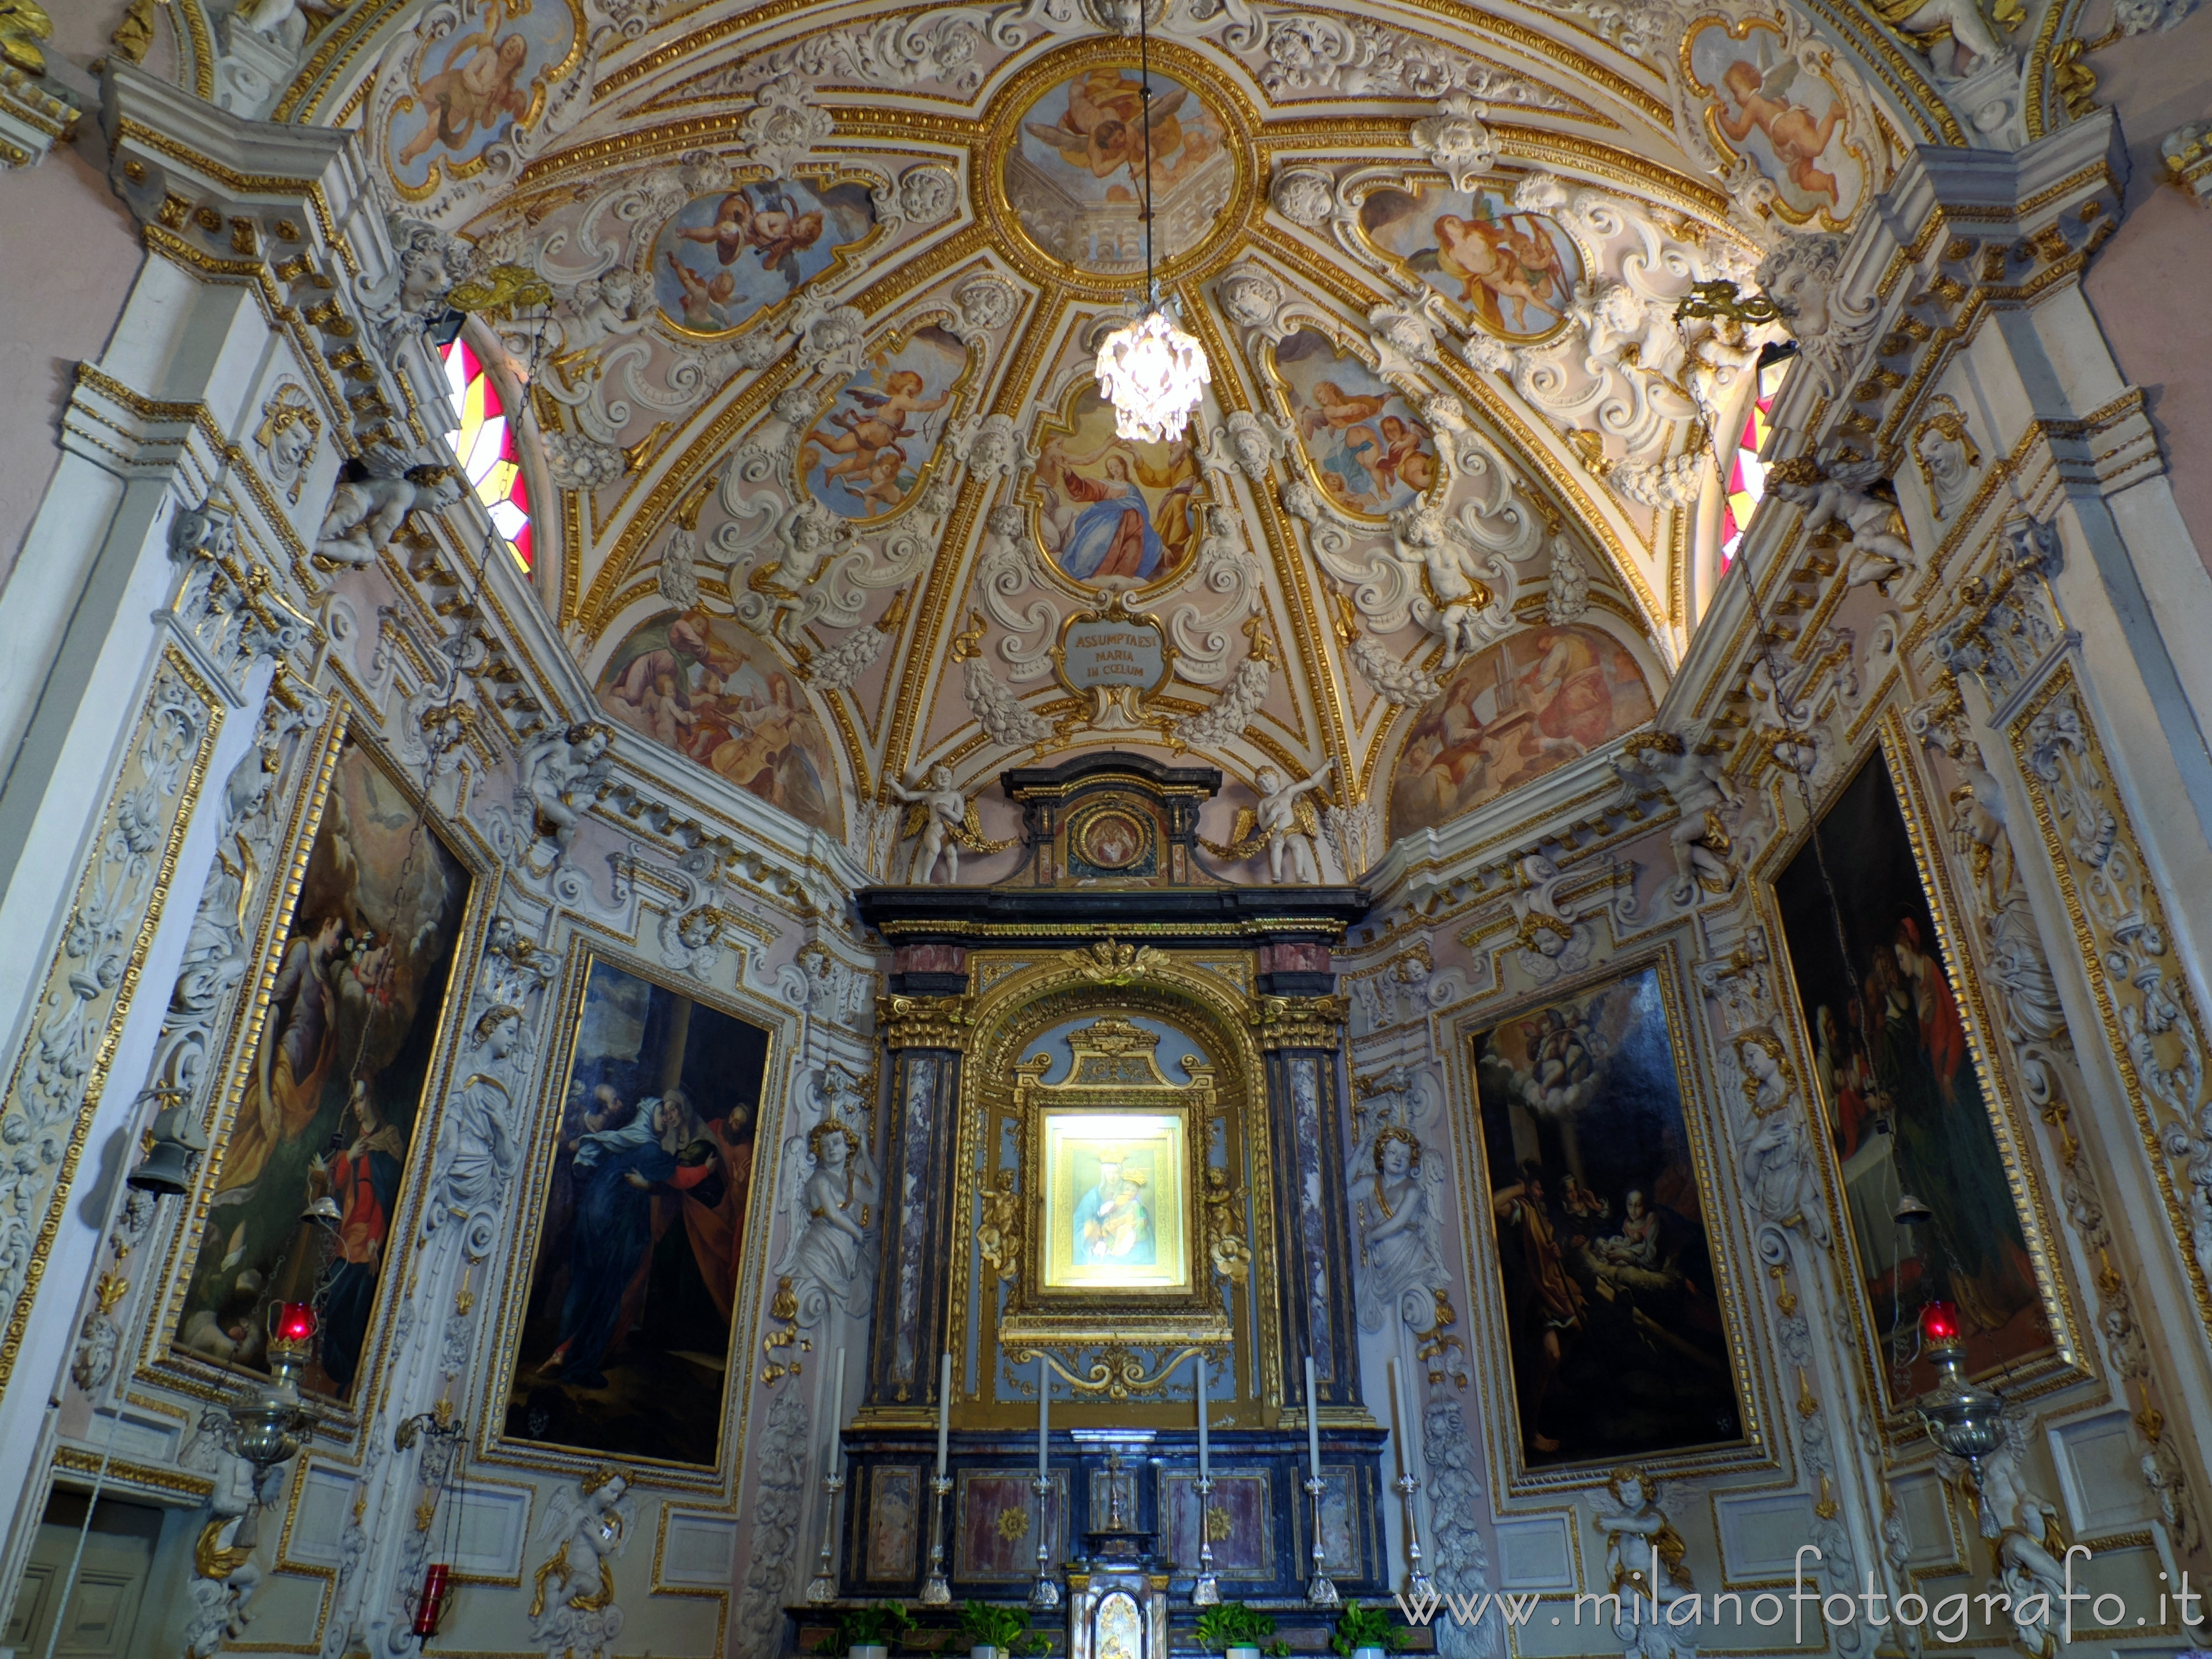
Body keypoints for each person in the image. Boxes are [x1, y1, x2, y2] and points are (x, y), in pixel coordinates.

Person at [538, 1095, 686, 1387]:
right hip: (616, 1229)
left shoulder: (621, 1140)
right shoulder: (649, 1149)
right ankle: (578, 1366)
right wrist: (704, 1167)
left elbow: (582, 1149)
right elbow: (677, 1175)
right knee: (607, 1295)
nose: (666, 1119)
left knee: (582, 1286)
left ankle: (560, 1352)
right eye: (661, 1113)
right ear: (646, 1114)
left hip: (590, 1223)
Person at [315, 1082, 405, 1394]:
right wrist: (348, 1156)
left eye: (361, 1099)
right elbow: (337, 1182)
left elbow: (385, 1197)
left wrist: (376, 1239)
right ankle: (329, 1370)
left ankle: (343, 1374)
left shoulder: (388, 1140)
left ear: (373, 1099)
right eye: (353, 1100)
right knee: (331, 1299)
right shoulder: (356, 1144)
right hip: (348, 1235)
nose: (356, 1106)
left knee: (349, 1308)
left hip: (366, 1240)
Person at [1492, 1162, 1583, 1453]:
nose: (1542, 1193)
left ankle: (1549, 1381)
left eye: (1542, 1188)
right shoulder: (1522, 1210)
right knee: (1548, 1355)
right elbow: (1494, 1204)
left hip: (1550, 1290)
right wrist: (1521, 1188)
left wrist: (1557, 1250)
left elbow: (1548, 1251)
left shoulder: (1541, 1218)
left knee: (1568, 1338)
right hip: (1533, 1296)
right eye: (1537, 1187)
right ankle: (1530, 1433)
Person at [397, 25, 530, 167]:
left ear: (518, 60)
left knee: (434, 129)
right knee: (420, 96)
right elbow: (468, 73)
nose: (512, 47)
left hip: (463, 106)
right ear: (505, 41)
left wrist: (489, 109)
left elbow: (487, 123)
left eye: (517, 49)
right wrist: (482, 89)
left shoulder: (505, 87)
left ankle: (409, 152)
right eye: (512, 42)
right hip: (455, 85)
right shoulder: (489, 54)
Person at [1715, 59, 1843, 206]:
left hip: (1787, 125)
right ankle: (1827, 182)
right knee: (1803, 176)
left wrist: (1722, 118)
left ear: (1745, 84)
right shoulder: (1767, 95)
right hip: (1790, 131)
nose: (1736, 99)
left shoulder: (1754, 102)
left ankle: (1833, 113)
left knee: (1816, 147)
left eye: (1736, 92)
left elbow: (1739, 133)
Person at [1073, 1157, 1154, 1266]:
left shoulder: (1129, 1196)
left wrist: (1137, 1221)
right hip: (1104, 1235)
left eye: (1116, 1173)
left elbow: (1139, 1217)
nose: (1112, 1176)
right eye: (1109, 1172)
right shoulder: (1093, 1196)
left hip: (1128, 1237)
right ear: (1104, 1175)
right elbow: (1085, 1220)